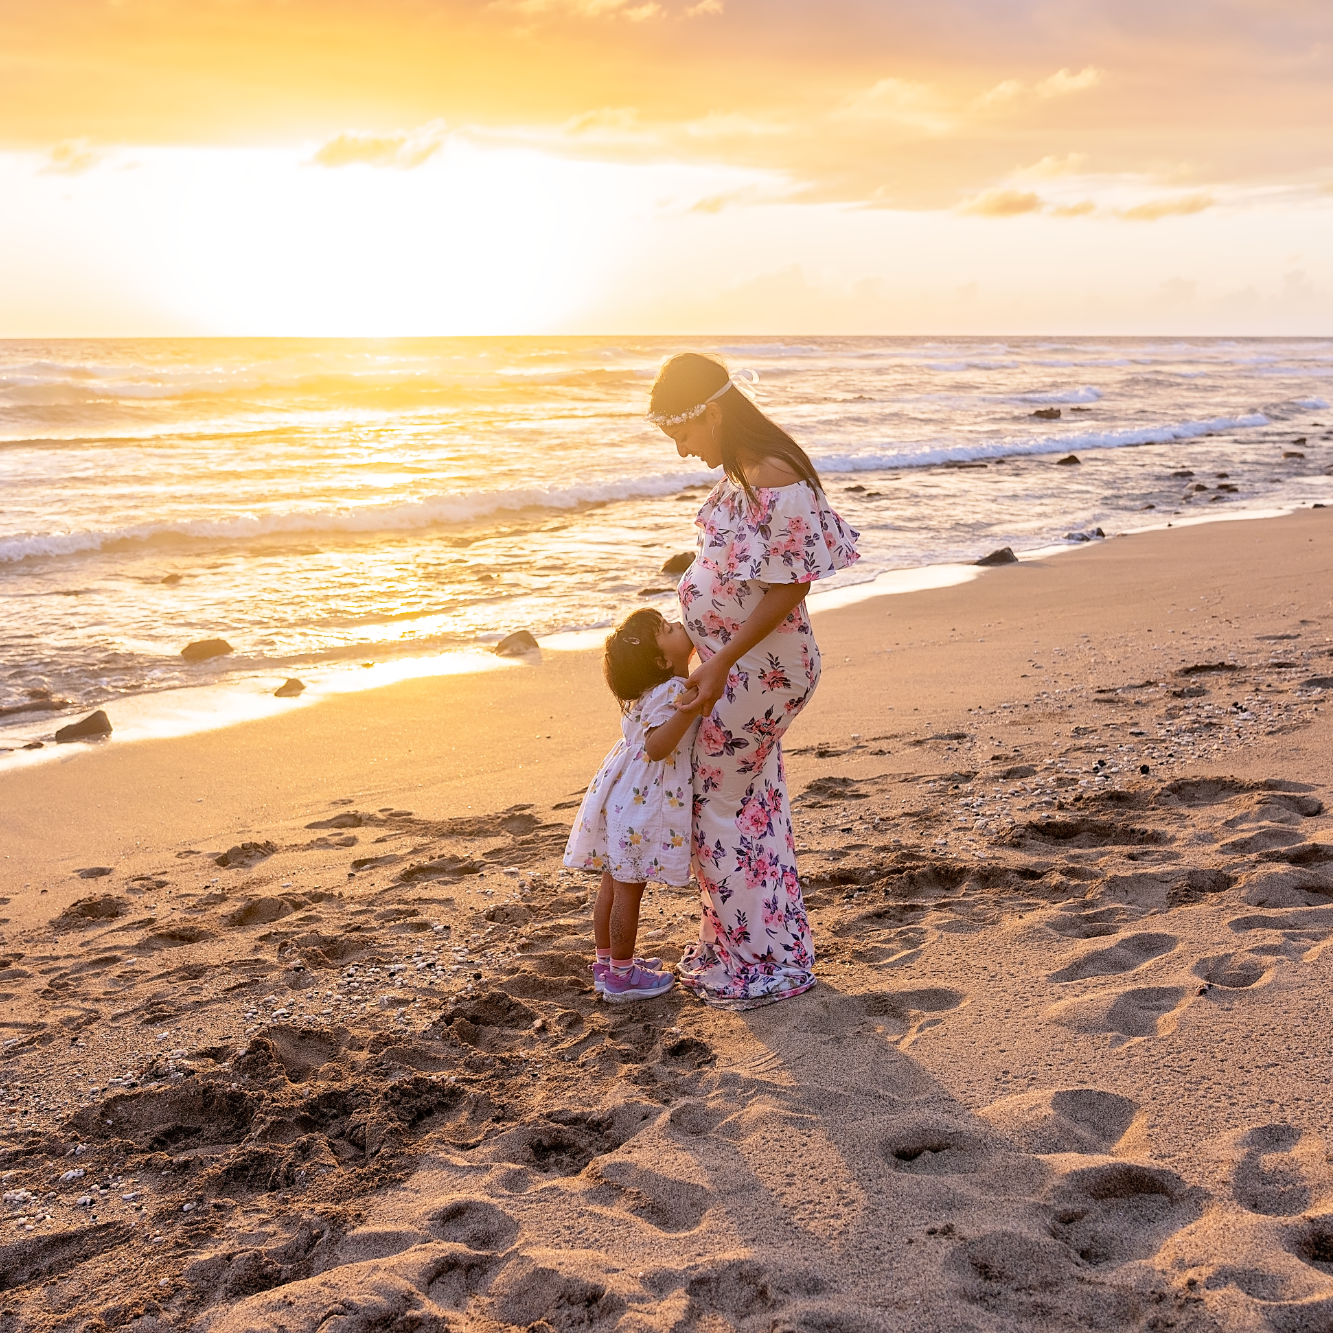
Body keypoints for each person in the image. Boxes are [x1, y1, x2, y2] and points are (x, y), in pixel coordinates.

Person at [649, 352, 859, 1010]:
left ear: (711, 412)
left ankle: (761, 959)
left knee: (717, 809)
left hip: (758, 672)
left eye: (683, 433)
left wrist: (717, 660)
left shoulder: (773, 474)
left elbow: (789, 584)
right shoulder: (744, 473)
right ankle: (764, 946)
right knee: (749, 805)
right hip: (741, 667)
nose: (683, 450)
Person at [563, 607, 702, 1003]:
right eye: (668, 628)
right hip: (641, 803)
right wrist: (691, 708)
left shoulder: (651, 692)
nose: (679, 625)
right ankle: (623, 978)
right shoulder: (675, 691)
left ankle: (607, 965)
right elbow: (658, 747)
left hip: (619, 797)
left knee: (611, 884)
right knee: (628, 891)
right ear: (662, 660)